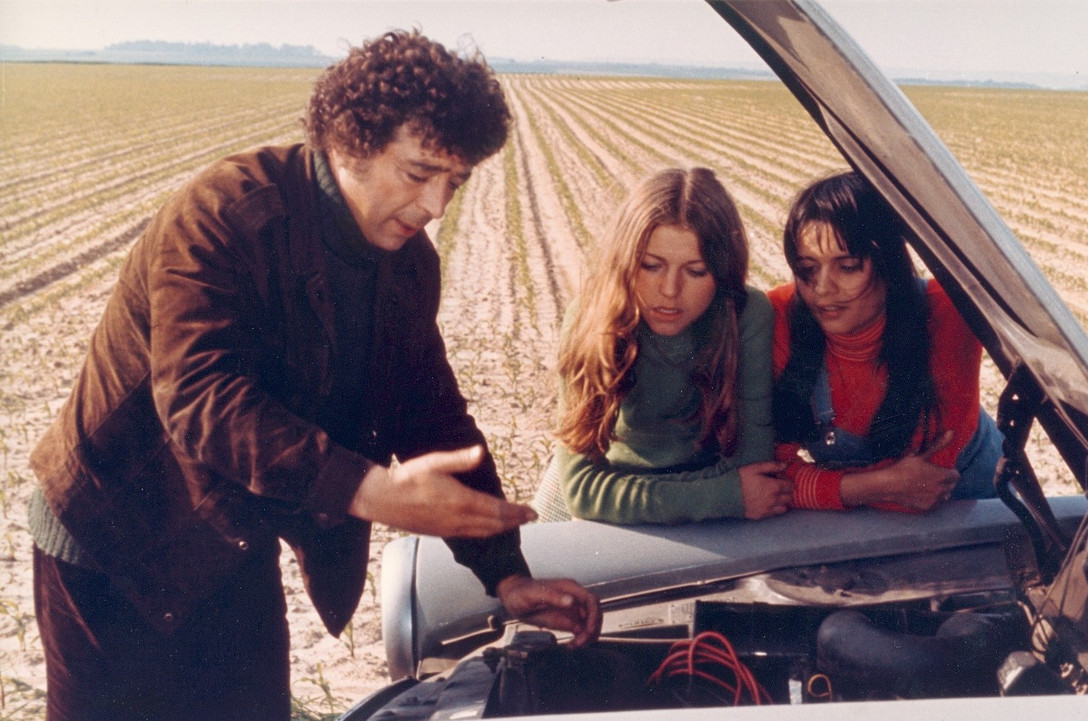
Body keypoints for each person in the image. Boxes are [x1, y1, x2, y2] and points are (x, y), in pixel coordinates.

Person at [27, 30, 599, 721]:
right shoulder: (222, 215)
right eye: (418, 174)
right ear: (350, 139)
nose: (436, 207)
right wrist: (370, 490)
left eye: (457, 180)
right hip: (109, 542)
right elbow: (200, 398)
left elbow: (431, 415)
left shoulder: (408, 263)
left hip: (230, 538)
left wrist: (505, 571)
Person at [534, 167, 789, 525]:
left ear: (725, 271)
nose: (670, 290)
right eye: (651, 266)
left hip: (634, 498)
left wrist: (711, 495)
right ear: (624, 263)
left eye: (696, 271)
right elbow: (581, 491)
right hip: (620, 502)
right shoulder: (589, 317)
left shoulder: (747, 314)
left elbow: (755, 471)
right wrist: (720, 494)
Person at [769, 171, 1003, 513]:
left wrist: (822, 487)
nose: (822, 289)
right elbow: (770, 479)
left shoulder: (945, 312)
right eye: (807, 269)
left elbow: (929, 484)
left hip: (981, 508)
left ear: (888, 264)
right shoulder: (782, 316)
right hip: (868, 521)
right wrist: (883, 484)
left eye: (847, 267)